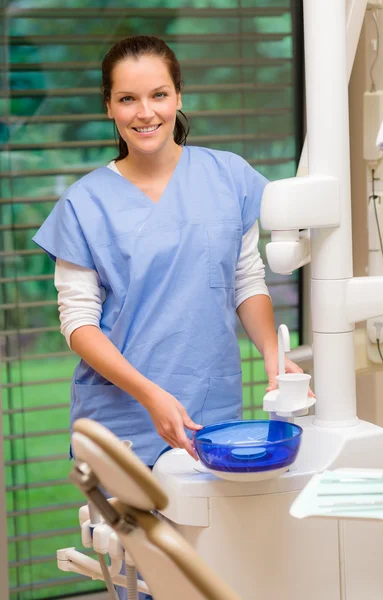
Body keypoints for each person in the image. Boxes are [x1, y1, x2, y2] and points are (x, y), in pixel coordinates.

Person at [33, 34, 304, 598]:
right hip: (125, 424)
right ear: (108, 106)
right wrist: (151, 394)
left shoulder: (227, 177)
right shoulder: (84, 205)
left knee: (218, 572)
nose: (145, 112)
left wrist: (276, 361)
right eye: (128, 99)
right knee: (146, 583)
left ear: (179, 95)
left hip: (213, 414)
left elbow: (245, 282)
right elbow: (78, 325)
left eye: (158, 94)